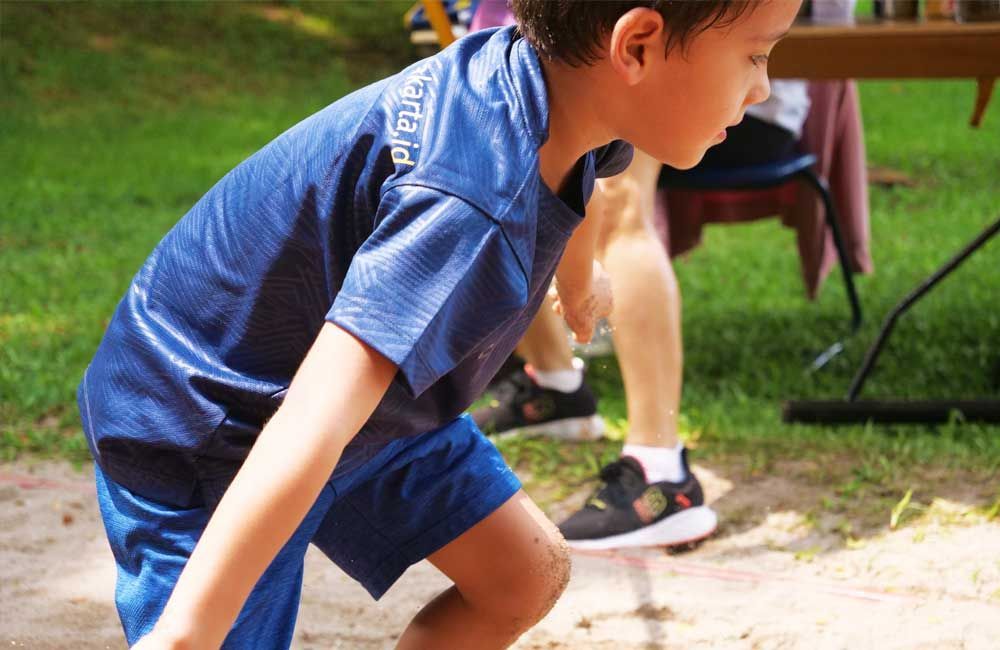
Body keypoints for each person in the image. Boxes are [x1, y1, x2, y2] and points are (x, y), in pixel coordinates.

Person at [80, 0, 800, 647]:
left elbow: (590, 169)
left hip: (373, 416)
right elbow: (313, 418)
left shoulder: (568, 93)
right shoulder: (465, 200)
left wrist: (580, 280)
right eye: (756, 54)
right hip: (212, 423)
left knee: (522, 575)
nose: (763, 86)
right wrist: (189, 629)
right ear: (637, 46)